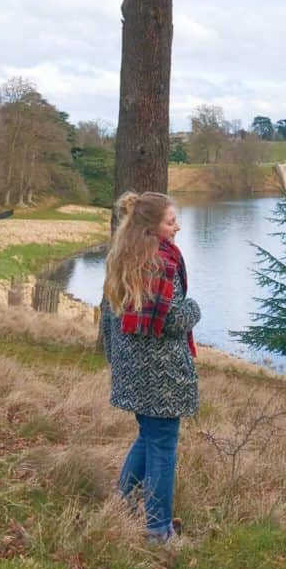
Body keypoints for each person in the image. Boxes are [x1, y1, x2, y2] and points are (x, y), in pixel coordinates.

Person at [101, 191, 200, 542]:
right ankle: (158, 530)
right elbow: (172, 319)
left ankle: (122, 504)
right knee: (162, 446)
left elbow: (107, 319)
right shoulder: (162, 261)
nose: (177, 227)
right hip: (161, 376)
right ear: (152, 226)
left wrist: (116, 361)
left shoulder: (121, 257)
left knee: (148, 437)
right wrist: (195, 310)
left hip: (132, 369)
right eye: (171, 222)